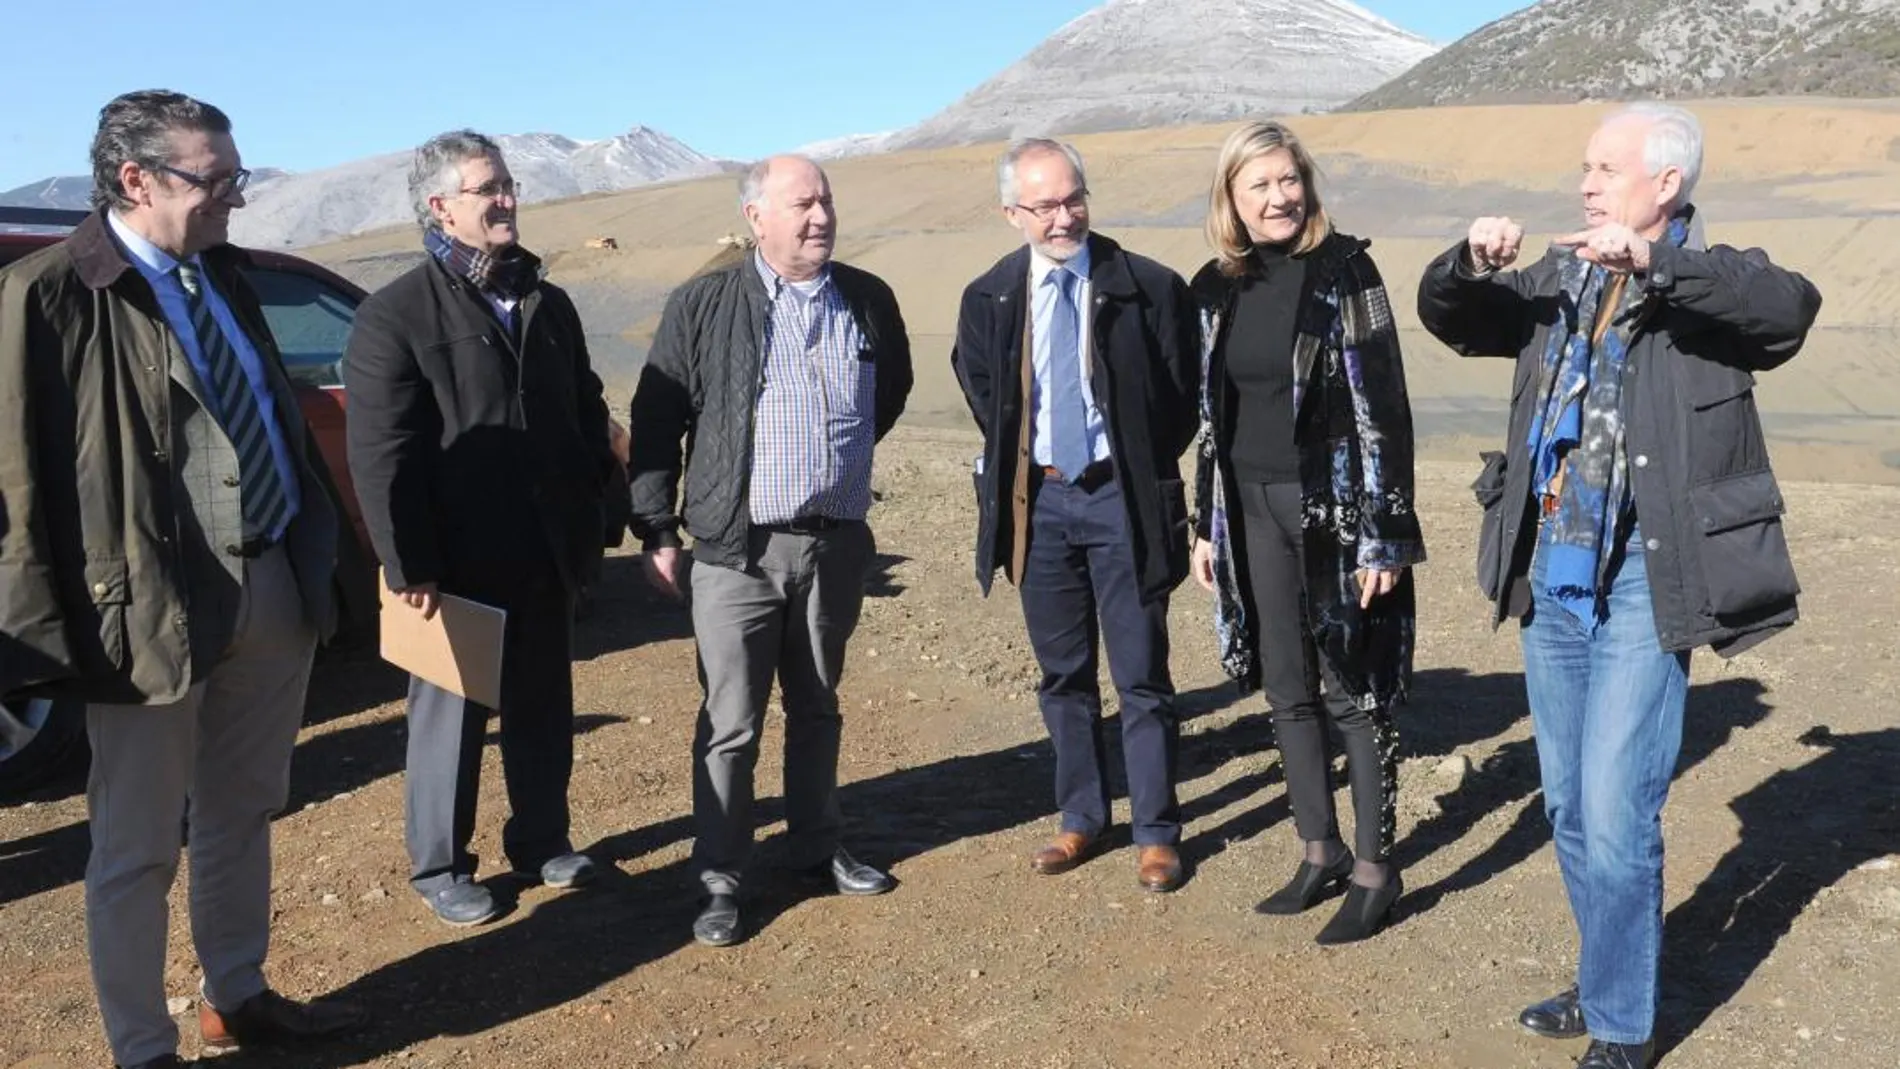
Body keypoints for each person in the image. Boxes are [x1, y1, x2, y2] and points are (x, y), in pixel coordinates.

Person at [1417, 103, 1821, 1069]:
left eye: (1605, 168)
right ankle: (1603, 976)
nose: (1586, 183)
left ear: (1665, 185)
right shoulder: (1560, 275)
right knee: (1568, 804)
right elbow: (1456, 320)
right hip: (1552, 571)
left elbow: (1790, 309)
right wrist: (1464, 263)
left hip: (1647, 582)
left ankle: (1625, 1027)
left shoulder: (1717, 283)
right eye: (1586, 166)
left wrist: (1658, 268)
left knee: (1617, 803)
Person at [0, 90, 363, 1068]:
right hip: (148, 611)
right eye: (218, 179)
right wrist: (39, 635)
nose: (236, 198)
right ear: (136, 179)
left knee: (244, 809)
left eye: (237, 177)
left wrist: (307, 558)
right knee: (137, 845)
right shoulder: (52, 294)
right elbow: (22, 479)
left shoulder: (226, 275)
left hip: (274, 582)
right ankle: (140, 1047)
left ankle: (236, 994)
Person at [628, 155, 913, 947]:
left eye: (825, 200)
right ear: (757, 217)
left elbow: (886, 394)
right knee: (731, 722)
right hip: (735, 551)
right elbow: (656, 418)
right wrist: (656, 526)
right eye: (801, 204)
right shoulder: (705, 303)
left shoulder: (867, 299)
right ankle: (720, 878)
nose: (819, 216)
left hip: (834, 543)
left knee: (817, 706)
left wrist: (834, 463)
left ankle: (817, 847)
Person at [344, 130, 619, 928]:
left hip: (545, 545)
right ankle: (440, 864)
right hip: (455, 560)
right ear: (441, 206)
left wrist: (592, 500)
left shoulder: (546, 300)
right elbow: (380, 453)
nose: (505, 199)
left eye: (507, 184)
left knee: (542, 703)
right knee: (450, 719)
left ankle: (542, 839)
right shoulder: (396, 314)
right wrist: (407, 563)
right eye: (486, 188)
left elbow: (585, 405)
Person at [1187, 120, 1423, 943]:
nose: (1279, 197)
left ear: (1306, 185)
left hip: (1334, 512)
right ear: (1232, 200)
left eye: (1288, 180)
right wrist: (1203, 524)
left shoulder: (1347, 272)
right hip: (1247, 509)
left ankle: (1374, 869)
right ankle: (1318, 850)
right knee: (1286, 688)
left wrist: (1385, 533)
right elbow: (1213, 422)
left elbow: (1384, 410)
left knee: (1352, 690)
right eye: (1259, 185)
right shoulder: (1214, 287)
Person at [951, 138, 1199, 893]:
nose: (1064, 217)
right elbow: (985, 394)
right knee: (1063, 674)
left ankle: (1157, 830)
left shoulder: (1148, 286)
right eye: (1045, 205)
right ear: (1011, 213)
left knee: (1141, 674)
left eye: (1073, 198)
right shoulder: (989, 296)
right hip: (1042, 504)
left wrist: (1132, 461)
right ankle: (1081, 817)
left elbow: (1179, 398)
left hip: (1121, 498)